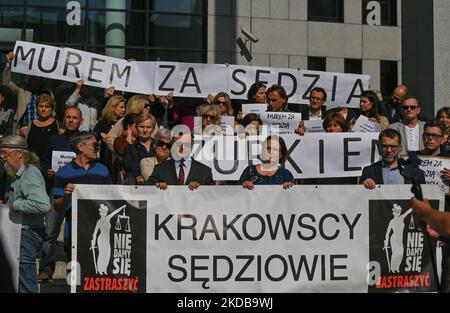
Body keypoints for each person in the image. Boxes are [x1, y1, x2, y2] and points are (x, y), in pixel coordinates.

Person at [37, 107, 83, 283]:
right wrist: (47, 169)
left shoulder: (87, 140)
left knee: (74, 235)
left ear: (81, 121)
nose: (71, 120)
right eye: (68, 117)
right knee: (50, 233)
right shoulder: (54, 140)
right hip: (57, 191)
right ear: (63, 119)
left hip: (78, 194)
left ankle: (73, 272)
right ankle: (45, 271)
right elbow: (44, 161)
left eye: (74, 118)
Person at [52, 131, 112, 266]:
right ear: (81, 147)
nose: (98, 149)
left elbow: (111, 198)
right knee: (74, 276)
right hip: (74, 233)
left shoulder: (103, 170)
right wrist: (66, 197)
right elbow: (57, 206)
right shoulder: (63, 173)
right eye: (94, 145)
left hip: (99, 233)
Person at [0, 135, 51, 293]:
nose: (3, 158)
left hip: (28, 234)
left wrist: (16, 204)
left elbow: (43, 204)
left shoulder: (30, 174)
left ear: (19, 154)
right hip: (22, 233)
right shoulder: (21, 174)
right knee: (19, 280)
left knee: (25, 282)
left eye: (5, 154)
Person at [360, 128, 425, 189]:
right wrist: (363, 187)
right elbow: (359, 197)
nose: (389, 150)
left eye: (393, 146)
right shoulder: (368, 171)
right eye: (385, 146)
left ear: (400, 148)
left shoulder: (415, 172)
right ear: (379, 147)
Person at [3, 51, 51, 132]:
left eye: (40, 80)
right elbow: (7, 83)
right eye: (35, 80)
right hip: (25, 128)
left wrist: (61, 57)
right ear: (30, 80)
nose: (38, 82)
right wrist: (8, 64)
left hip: (45, 128)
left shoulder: (48, 90)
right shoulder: (22, 90)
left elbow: (58, 80)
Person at [147, 132, 214, 189]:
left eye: (186, 144)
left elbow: (213, 196)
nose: (182, 147)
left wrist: (201, 188)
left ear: (192, 146)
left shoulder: (205, 171)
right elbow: (147, 190)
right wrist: (157, 186)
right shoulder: (160, 169)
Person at [20, 93, 62, 162]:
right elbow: (21, 147)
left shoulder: (60, 126)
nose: (43, 109)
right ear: (37, 108)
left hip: (51, 165)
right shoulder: (26, 126)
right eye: (40, 106)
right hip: (31, 165)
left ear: (52, 109)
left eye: (47, 106)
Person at [123, 113, 157, 184]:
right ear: (136, 128)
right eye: (142, 127)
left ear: (153, 129)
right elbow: (128, 164)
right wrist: (137, 174)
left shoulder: (157, 147)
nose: (145, 130)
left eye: (148, 127)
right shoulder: (130, 148)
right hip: (139, 185)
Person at [94, 95, 126, 167]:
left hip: (122, 162)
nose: (124, 110)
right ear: (113, 107)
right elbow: (92, 139)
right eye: (121, 107)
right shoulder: (102, 124)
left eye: (124, 107)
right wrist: (100, 135)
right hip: (106, 161)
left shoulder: (125, 123)